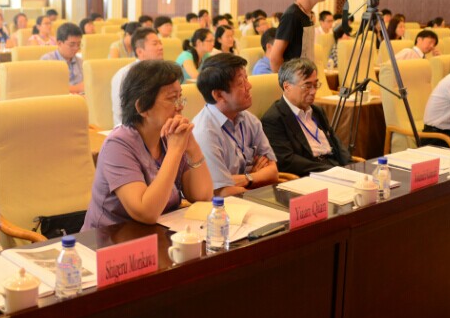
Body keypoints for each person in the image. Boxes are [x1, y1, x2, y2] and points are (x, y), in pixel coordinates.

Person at [82, 60, 213, 229]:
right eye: (172, 99)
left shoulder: (169, 136)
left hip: (160, 232)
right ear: (142, 107)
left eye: (180, 97)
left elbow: (202, 195)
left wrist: (192, 147)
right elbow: (146, 212)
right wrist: (175, 151)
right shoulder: (118, 145)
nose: (180, 106)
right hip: (113, 238)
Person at [192, 54, 278, 196]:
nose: (249, 86)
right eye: (241, 83)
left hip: (247, 198)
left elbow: (273, 172)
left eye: (246, 79)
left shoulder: (249, 120)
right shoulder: (204, 132)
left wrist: (246, 179)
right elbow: (222, 192)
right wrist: (255, 178)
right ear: (219, 95)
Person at [261, 58, 351, 176]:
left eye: (315, 85)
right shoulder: (274, 119)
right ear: (287, 87)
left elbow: (336, 143)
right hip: (312, 175)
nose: (313, 91)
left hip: (336, 168)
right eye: (307, 86)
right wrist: (332, 171)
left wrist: (351, 166)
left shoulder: (317, 111)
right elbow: (287, 161)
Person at [270, 0, 329, 72]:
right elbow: (274, 58)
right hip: (294, 80)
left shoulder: (308, 14)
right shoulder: (292, 16)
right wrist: (286, 81)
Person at [111, 28, 164, 125]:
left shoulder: (164, 72)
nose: (161, 47)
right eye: (155, 44)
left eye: (160, 43)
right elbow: (121, 113)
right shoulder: (125, 75)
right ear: (140, 52)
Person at [40, 22, 84, 94]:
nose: (76, 48)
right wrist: (77, 88)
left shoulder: (80, 61)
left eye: (78, 44)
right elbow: (48, 88)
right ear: (59, 43)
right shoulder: (47, 60)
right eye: (72, 45)